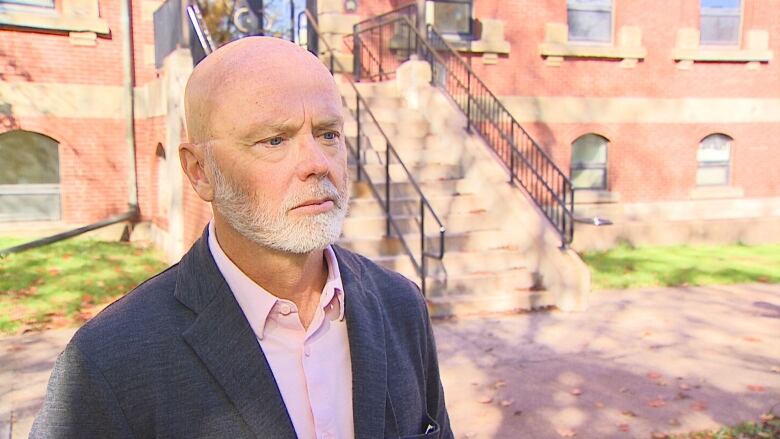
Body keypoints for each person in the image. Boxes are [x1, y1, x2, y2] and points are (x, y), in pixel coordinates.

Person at [30, 36, 452, 439]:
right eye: (274, 140)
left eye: (328, 134)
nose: (317, 163)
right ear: (200, 171)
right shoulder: (109, 361)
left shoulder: (402, 307)